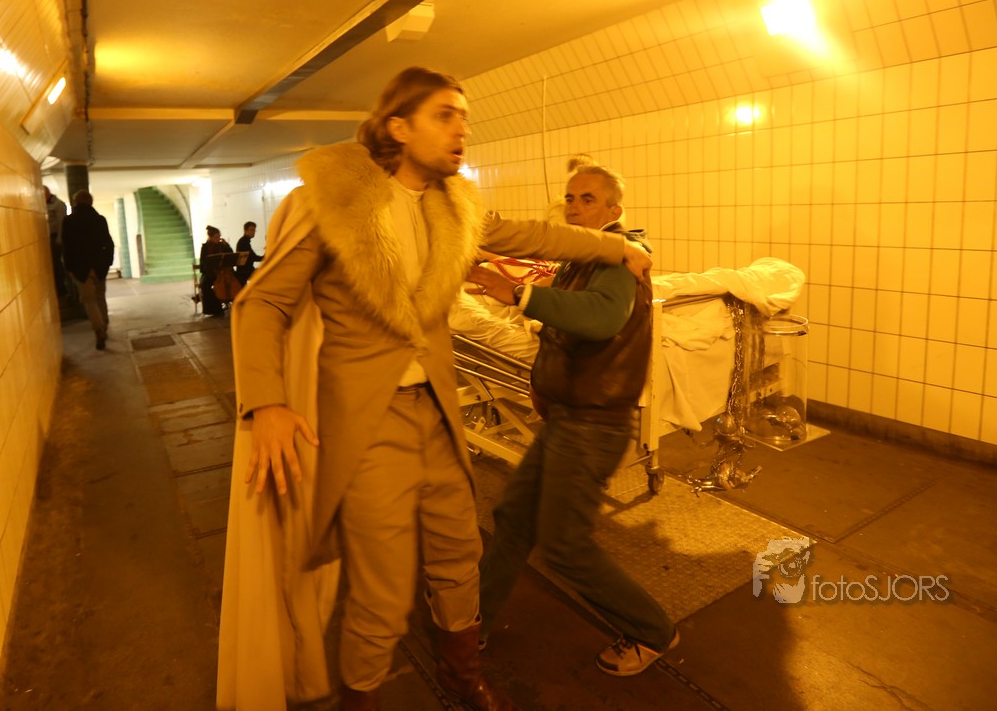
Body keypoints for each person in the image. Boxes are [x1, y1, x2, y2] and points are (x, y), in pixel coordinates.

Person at [218, 67, 652, 711]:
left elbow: (534, 234)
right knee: (383, 587)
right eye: (446, 115)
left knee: (458, 554)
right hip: (371, 422)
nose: (461, 130)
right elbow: (264, 302)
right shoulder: (334, 201)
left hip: (438, 412)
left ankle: (460, 676)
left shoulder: (454, 204)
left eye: (464, 117)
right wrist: (268, 402)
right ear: (399, 126)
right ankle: (360, 699)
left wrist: (615, 249)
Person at [466, 163, 677, 678]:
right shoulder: (578, 258)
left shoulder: (619, 257)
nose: (575, 207)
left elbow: (601, 318)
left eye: (588, 199)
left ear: (614, 210)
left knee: (564, 547)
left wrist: (518, 293)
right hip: (567, 416)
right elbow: (564, 324)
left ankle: (652, 631)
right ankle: (472, 623)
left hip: (593, 424)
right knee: (514, 519)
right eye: (569, 198)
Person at [62, 190, 115, 350]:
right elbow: (108, 243)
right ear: (91, 202)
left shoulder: (69, 221)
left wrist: (69, 268)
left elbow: (67, 247)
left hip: (80, 268)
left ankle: (99, 329)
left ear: (75, 202)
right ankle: (104, 324)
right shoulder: (99, 220)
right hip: (99, 266)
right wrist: (107, 263)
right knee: (100, 296)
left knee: (89, 300)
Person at [198, 226, 235, 315]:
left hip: (224, 272)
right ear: (210, 237)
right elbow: (203, 265)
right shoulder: (205, 247)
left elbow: (231, 255)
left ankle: (235, 303)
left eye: (219, 237)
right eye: (216, 237)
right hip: (210, 273)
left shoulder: (222, 245)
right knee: (205, 285)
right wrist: (211, 272)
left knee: (237, 279)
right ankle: (215, 309)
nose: (218, 239)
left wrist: (227, 245)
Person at [43, 185, 67, 296]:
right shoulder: (44, 204)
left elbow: (62, 223)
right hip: (48, 238)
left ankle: (61, 288)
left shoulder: (58, 204)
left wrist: (59, 239)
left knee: (56, 264)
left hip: (54, 237)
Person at [233, 220, 264, 286]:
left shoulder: (244, 241)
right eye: (251, 230)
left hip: (246, 270)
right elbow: (252, 257)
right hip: (245, 272)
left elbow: (252, 256)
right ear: (245, 230)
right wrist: (265, 257)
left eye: (254, 230)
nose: (253, 232)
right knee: (265, 274)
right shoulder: (244, 242)